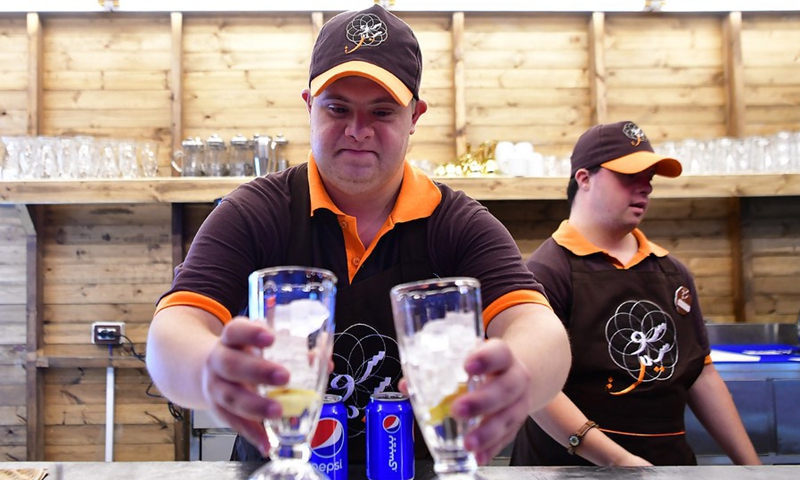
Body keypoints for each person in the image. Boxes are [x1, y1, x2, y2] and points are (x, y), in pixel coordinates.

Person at [146, 4, 570, 467]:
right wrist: (209, 370)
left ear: (415, 116)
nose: (357, 131)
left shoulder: (458, 223)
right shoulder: (254, 212)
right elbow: (173, 332)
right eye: (337, 108)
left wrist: (520, 374)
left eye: (382, 111)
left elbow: (538, 328)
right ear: (309, 106)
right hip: (280, 468)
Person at [510, 121, 761, 467]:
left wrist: (753, 470)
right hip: (571, 471)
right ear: (583, 179)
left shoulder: (673, 273)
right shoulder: (547, 272)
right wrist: (619, 462)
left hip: (668, 467)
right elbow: (532, 385)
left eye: (649, 178)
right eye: (629, 176)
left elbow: (701, 375)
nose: (645, 188)